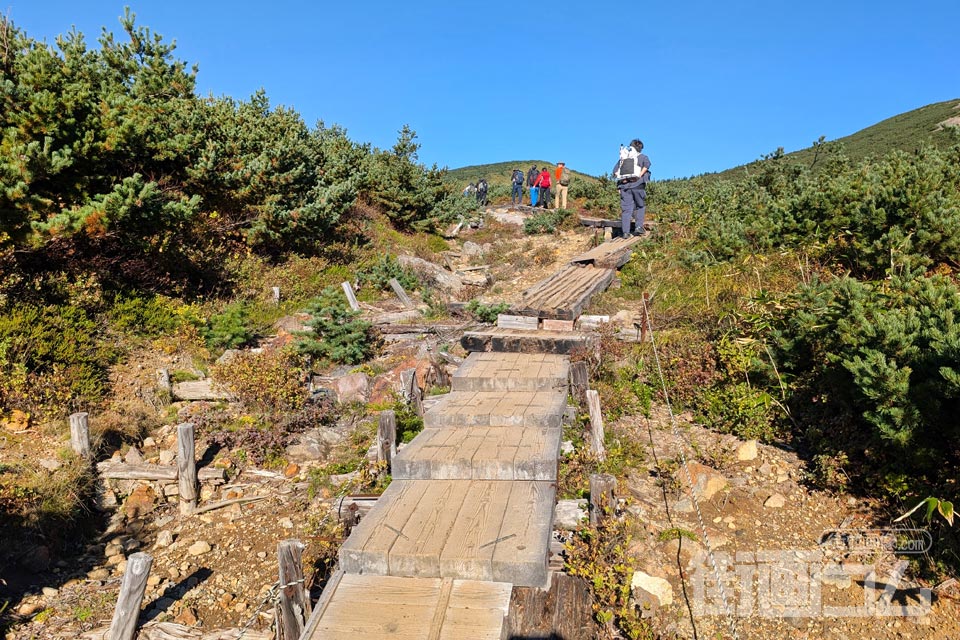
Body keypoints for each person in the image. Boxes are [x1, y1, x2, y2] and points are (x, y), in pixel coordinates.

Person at [613, 139, 651, 237]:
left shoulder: (623, 159)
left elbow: (615, 172)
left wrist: (622, 182)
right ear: (640, 148)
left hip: (624, 187)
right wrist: (639, 175)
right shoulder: (643, 157)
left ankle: (625, 232)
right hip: (638, 185)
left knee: (626, 209)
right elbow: (647, 165)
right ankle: (638, 227)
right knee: (640, 206)